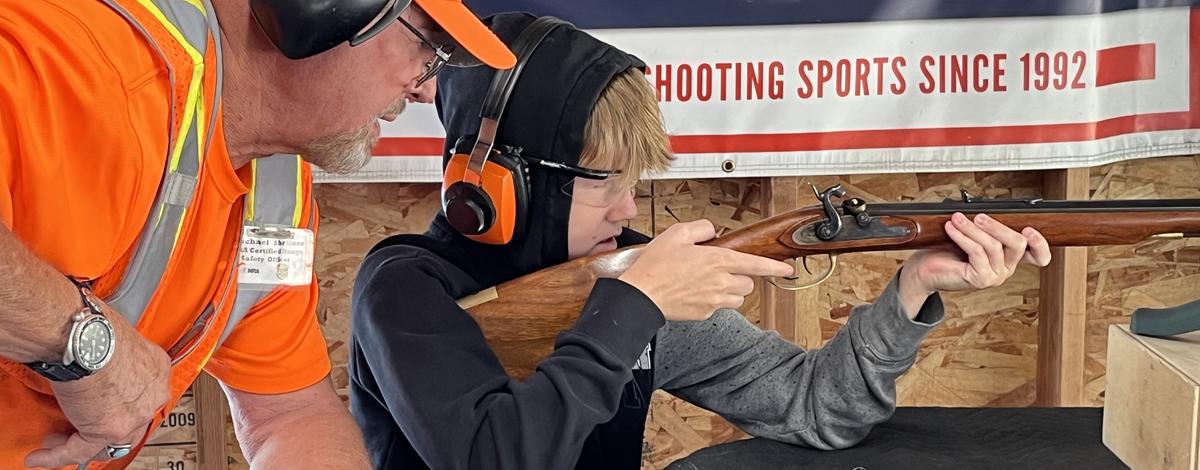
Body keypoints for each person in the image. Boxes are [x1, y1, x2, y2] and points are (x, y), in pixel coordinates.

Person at [347, 13, 1054, 470]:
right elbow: (493, 456)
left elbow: (814, 407)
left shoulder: (629, 275)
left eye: (635, 180)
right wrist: (632, 309)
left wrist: (912, 291)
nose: (627, 206)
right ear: (503, 185)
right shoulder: (407, 289)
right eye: (604, 180)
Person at [0, 0, 517, 468]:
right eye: (425, 45)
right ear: (318, 8)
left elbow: (287, 417)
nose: (426, 88)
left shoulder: (275, 189)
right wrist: (82, 341)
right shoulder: (79, 60)